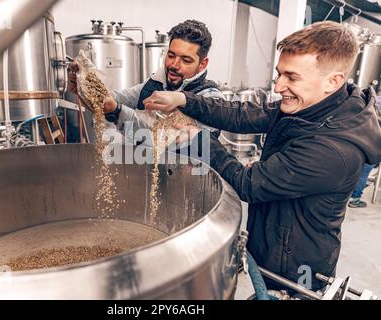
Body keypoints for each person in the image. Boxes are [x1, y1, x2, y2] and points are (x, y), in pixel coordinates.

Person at [143, 21, 381, 292]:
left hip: (297, 270)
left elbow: (249, 184)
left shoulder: (332, 149)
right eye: (279, 74)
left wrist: (200, 142)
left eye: (292, 77)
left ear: (333, 81)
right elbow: (244, 114)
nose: (279, 87)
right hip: (274, 243)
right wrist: (184, 100)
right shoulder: (314, 106)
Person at [68, 19, 224, 144]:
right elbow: (109, 101)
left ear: (202, 64)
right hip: (150, 175)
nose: (174, 65)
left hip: (189, 179)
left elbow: (169, 143)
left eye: (185, 60)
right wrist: (84, 86)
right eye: (171, 55)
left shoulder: (211, 101)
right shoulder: (155, 84)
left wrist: (116, 111)